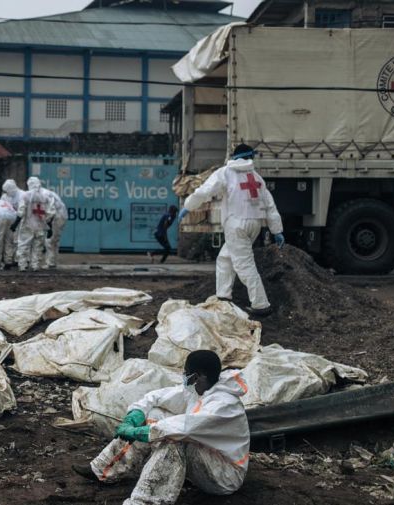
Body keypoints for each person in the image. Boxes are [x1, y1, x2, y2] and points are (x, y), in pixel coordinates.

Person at [72, 350, 249, 505]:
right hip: (205, 456)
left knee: (173, 439)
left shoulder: (224, 405)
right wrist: (136, 414)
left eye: (187, 373)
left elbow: (184, 428)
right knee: (155, 414)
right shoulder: (198, 390)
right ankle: (103, 469)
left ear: (200, 376)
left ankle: (145, 501)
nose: (184, 376)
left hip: (224, 474)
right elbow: (157, 397)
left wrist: (144, 432)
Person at [180, 144, 284, 317]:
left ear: (234, 157)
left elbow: (204, 191)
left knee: (244, 265)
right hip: (255, 224)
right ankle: (223, 295)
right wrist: (276, 230)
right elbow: (270, 206)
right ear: (250, 157)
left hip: (236, 225)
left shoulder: (225, 173)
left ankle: (261, 304)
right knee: (225, 258)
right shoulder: (256, 177)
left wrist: (188, 206)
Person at [13, 176, 54, 272]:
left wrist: (15, 224)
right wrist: (50, 227)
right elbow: (50, 213)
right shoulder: (45, 196)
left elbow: (21, 210)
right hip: (40, 225)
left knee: (23, 245)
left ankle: (22, 265)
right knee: (37, 246)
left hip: (27, 225)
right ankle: (35, 265)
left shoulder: (25, 195)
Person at [43, 188, 67, 269]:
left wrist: (49, 224)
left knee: (49, 241)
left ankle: (51, 263)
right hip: (61, 216)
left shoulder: (44, 195)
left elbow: (51, 211)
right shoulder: (50, 193)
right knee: (55, 240)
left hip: (56, 217)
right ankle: (53, 262)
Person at [1, 179, 22, 268]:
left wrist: (16, 223)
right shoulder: (5, 197)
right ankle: (9, 259)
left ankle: (17, 259)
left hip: (20, 222)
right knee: (9, 240)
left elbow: (22, 211)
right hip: (10, 221)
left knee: (18, 241)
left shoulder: (22, 195)